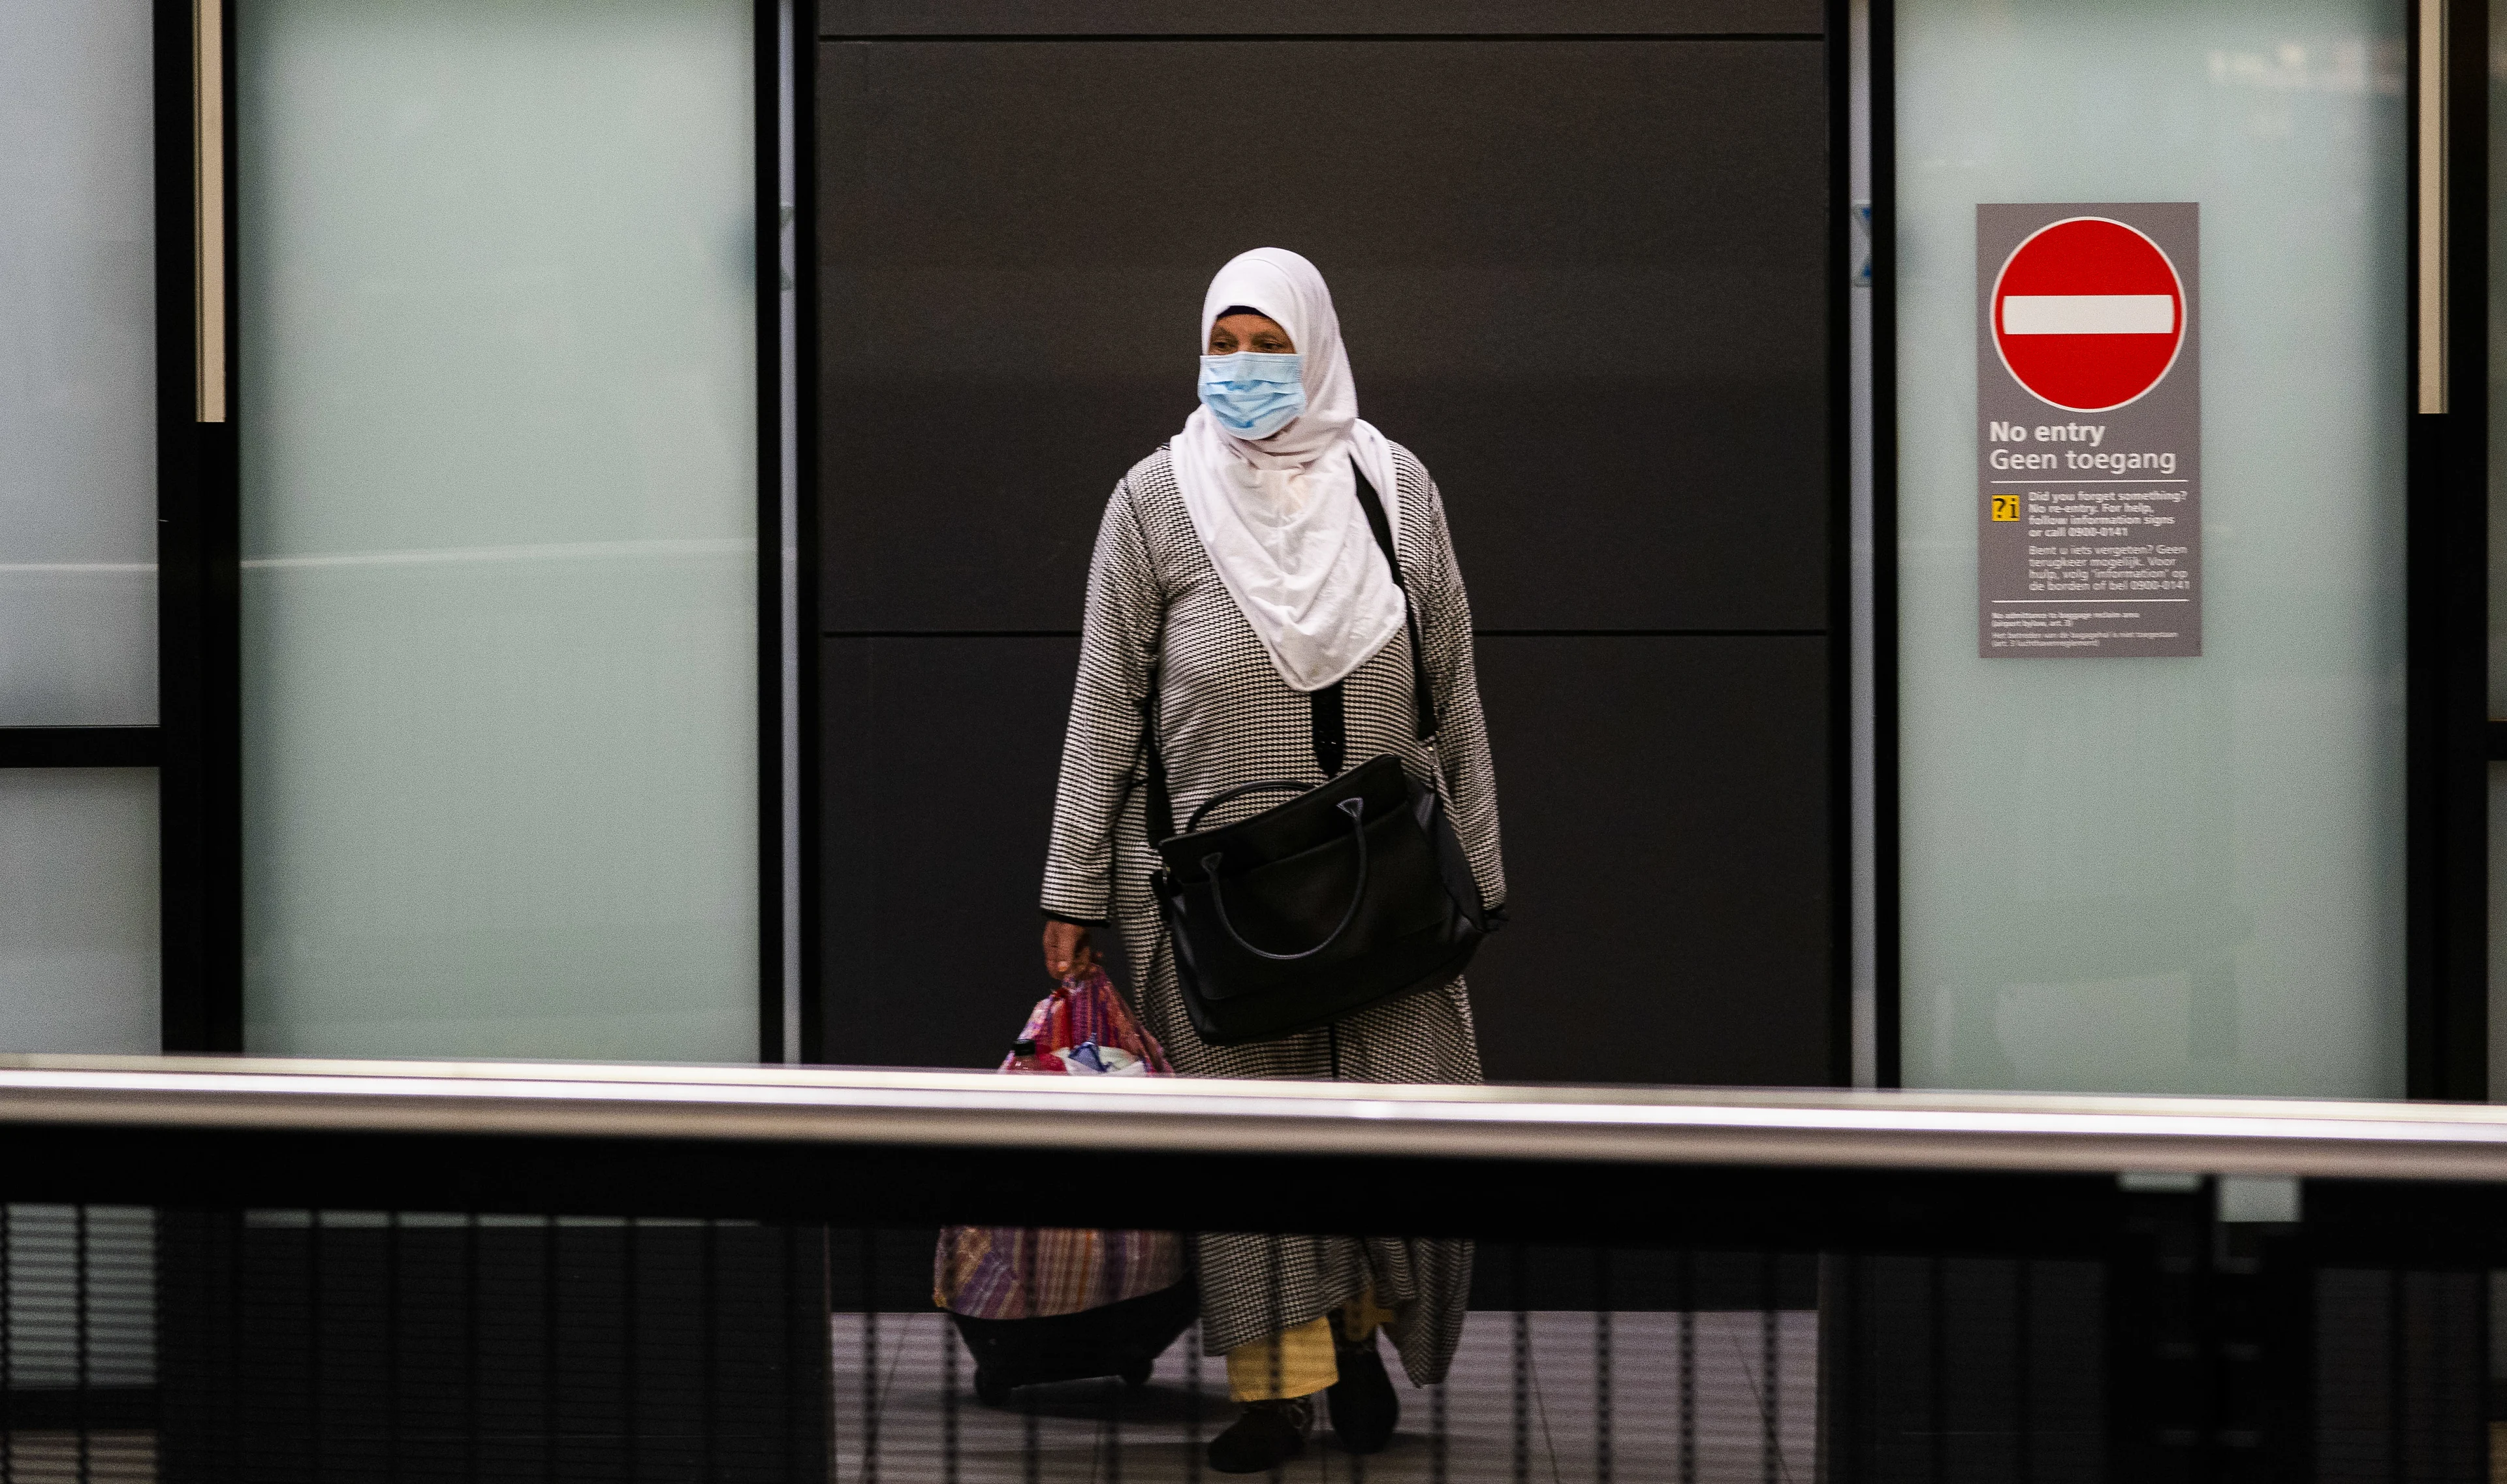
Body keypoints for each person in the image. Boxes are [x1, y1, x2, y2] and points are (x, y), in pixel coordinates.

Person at [1038, 247, 1506, 1472]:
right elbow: (1105, 702)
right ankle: (1278, 1392)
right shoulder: (1156, 499)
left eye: (1269, 346)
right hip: (1215, 900)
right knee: (1248, 1146)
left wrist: (1480, 866)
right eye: (1224, 345)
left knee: (1389, 1132)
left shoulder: (1394, 488)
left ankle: (1356, 1328)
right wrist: (1073, 888)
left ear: (1319, 349)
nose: (1243, 369)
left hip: (1382, 881)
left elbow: (1452, 684)